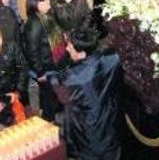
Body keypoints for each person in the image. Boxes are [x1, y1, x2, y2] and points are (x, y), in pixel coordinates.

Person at [49, 27, 121, 160]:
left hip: (87, 136)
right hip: (109, 126)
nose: (67, 49)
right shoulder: (112, 59)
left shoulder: (73, 78)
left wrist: (50, 75)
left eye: (70, 47)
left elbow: (56, 86)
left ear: (81, 53)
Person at [23, 0, 69, 121]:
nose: (48, 2)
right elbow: (31, 50)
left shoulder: (47, 16)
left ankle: (57, 114)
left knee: (55, 93)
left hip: (54, 62)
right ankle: (49, 120)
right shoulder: (34, 23)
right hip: (45, 67)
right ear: (34, 4)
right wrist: (40, 72)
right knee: (48, 95)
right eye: (43, 0)